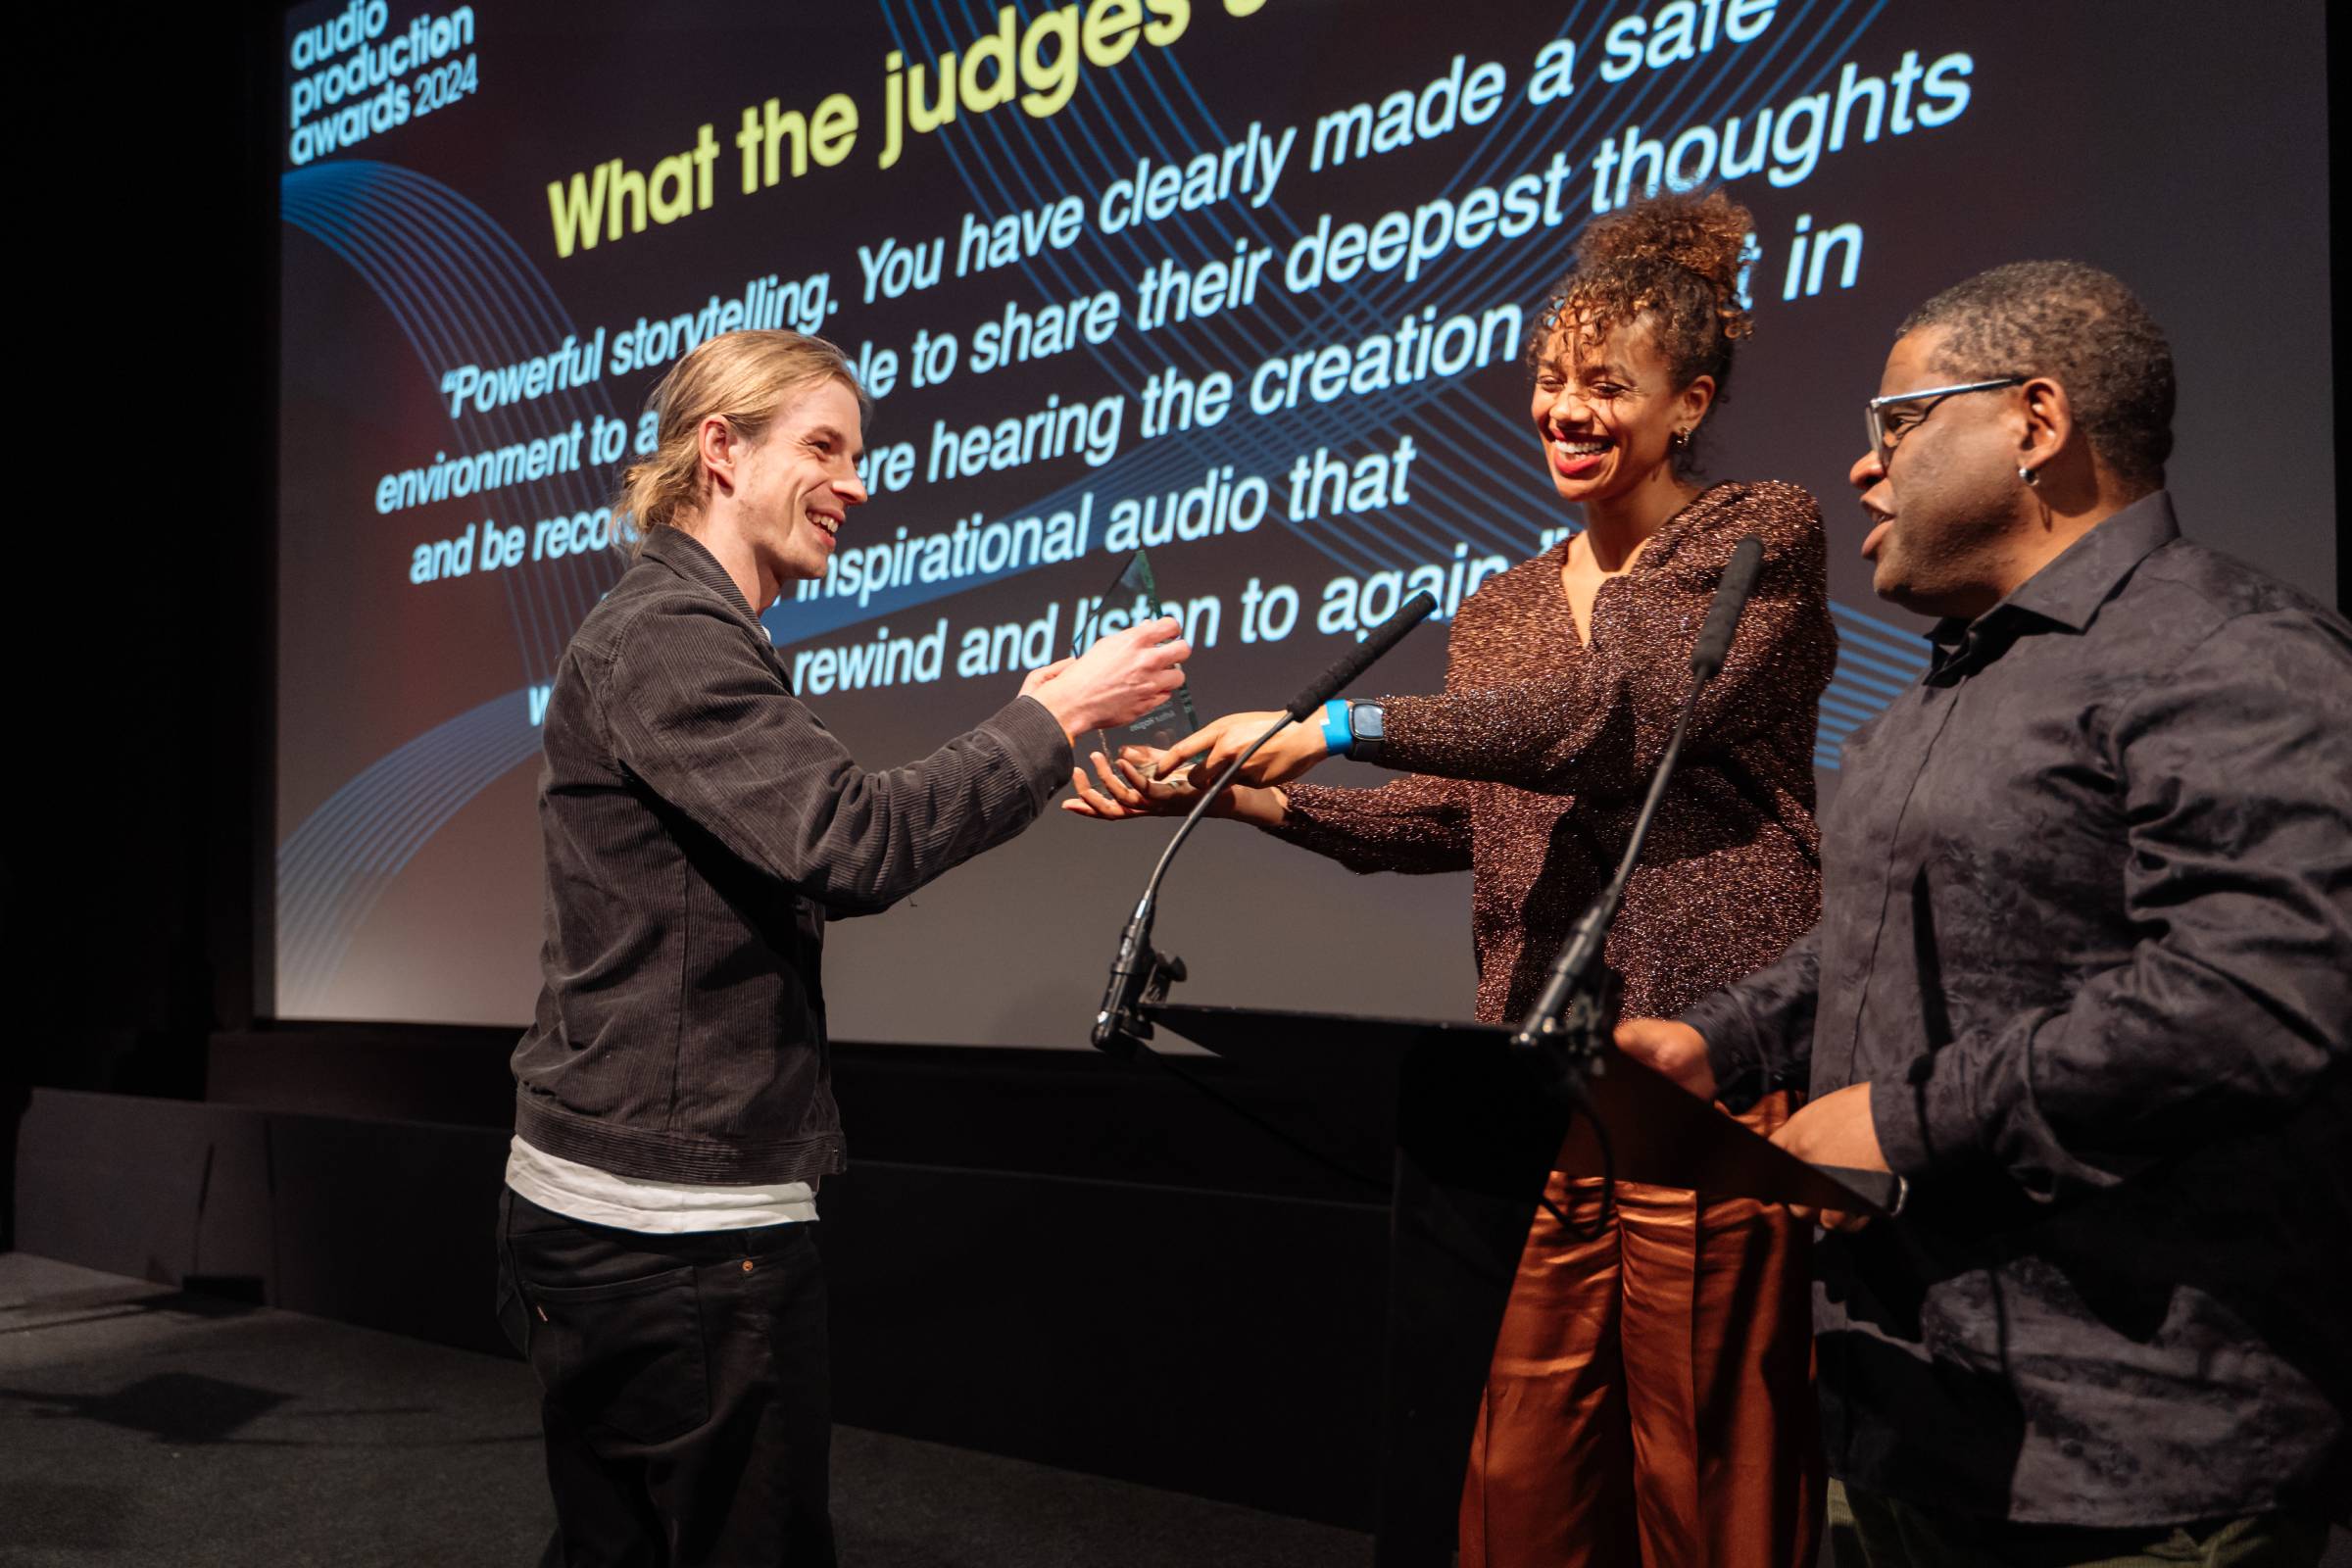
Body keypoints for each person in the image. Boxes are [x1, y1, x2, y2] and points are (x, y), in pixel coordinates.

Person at [1069, 191, 1834, 1568]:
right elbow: (1456, 817)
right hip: (1533, 1070)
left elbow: (1612, 723)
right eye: (1550, 383)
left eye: (1609, 387)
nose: (1568, 411)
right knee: (1525, 1472)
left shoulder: (1754, 536)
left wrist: (1337, 722)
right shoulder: (1501, 609)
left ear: (1689, 404)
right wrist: (1241, 796)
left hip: (1702, 1064)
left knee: (1706, 1471)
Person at [1618, 261, 2352, 1565]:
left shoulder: (2231, 650)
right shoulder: (1923, 708)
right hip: (1902, 1418)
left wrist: (1903, 1120)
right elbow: (1866, 940)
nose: (1862, 470)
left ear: (2037, 422)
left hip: (2128, 1463)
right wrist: (1717, 1043)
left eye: (1898, 423)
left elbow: (2259, 994)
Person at [494, 329, 1191, 1567]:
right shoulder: (666, 634)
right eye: (823, 446)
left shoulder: (676, 628)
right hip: (679, 1233)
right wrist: (1056, 713)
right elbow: (850, 840)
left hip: (628, 1214)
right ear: (720, 449)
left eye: (857, 453)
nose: (857, 483)